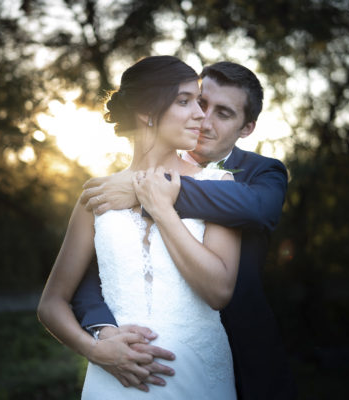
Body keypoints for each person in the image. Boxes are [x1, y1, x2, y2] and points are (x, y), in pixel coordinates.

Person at [75, 61, 298, 399]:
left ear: (246, 128)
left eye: (223, 113)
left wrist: (147, 191)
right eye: (199, 102)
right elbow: (94, 274)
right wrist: (102, 331)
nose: (203, 119)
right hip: (142, 363)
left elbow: (259, 209)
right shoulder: (115, 186)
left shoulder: (261, 173)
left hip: (242, 353)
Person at [37, 55, 241, 399]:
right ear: (147, 112)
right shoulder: (98, 195)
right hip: (114, 382)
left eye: (199, 101)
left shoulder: (219, 184)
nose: (200, 114)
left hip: (199, 376)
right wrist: (95, 349)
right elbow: (52, 303)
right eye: (184, 101)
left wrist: (161, 207)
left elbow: (219, 292)